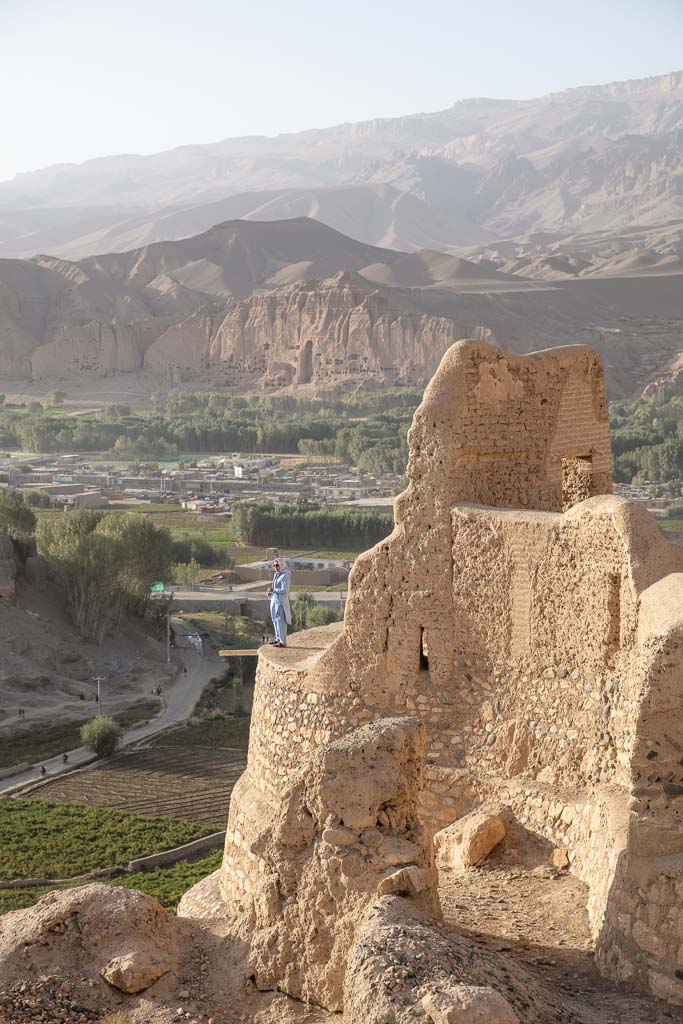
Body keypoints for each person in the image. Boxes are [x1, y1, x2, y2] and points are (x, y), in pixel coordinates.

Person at [267, 557, 291, 648]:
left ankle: (282, 641)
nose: (275, 567)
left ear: (281, 565)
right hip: (274, 601)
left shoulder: (285, 575)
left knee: (281, 621)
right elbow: (274, 590)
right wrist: (270, 593)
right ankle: (277, 639)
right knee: (275, 620)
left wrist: (274, 590)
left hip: (281, 602)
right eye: (274, 565)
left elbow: (284, 590)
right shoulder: (277, 575)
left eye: (277, 565)